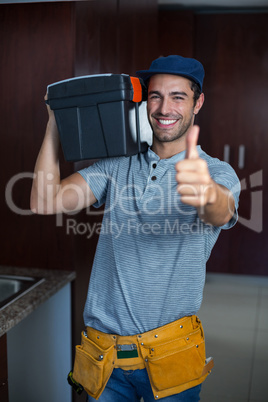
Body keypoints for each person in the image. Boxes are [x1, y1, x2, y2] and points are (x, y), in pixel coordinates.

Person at [31, 55, 240, 402]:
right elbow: (44, 201)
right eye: (155, 96)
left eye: (178, 96)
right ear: (144, 101)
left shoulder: (216, 173)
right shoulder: (117, 165)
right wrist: (56, 121)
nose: (164, 107)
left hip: (172, 354)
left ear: (198, 103)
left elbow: (221, 211)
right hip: (104, 357)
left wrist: (204, 192)